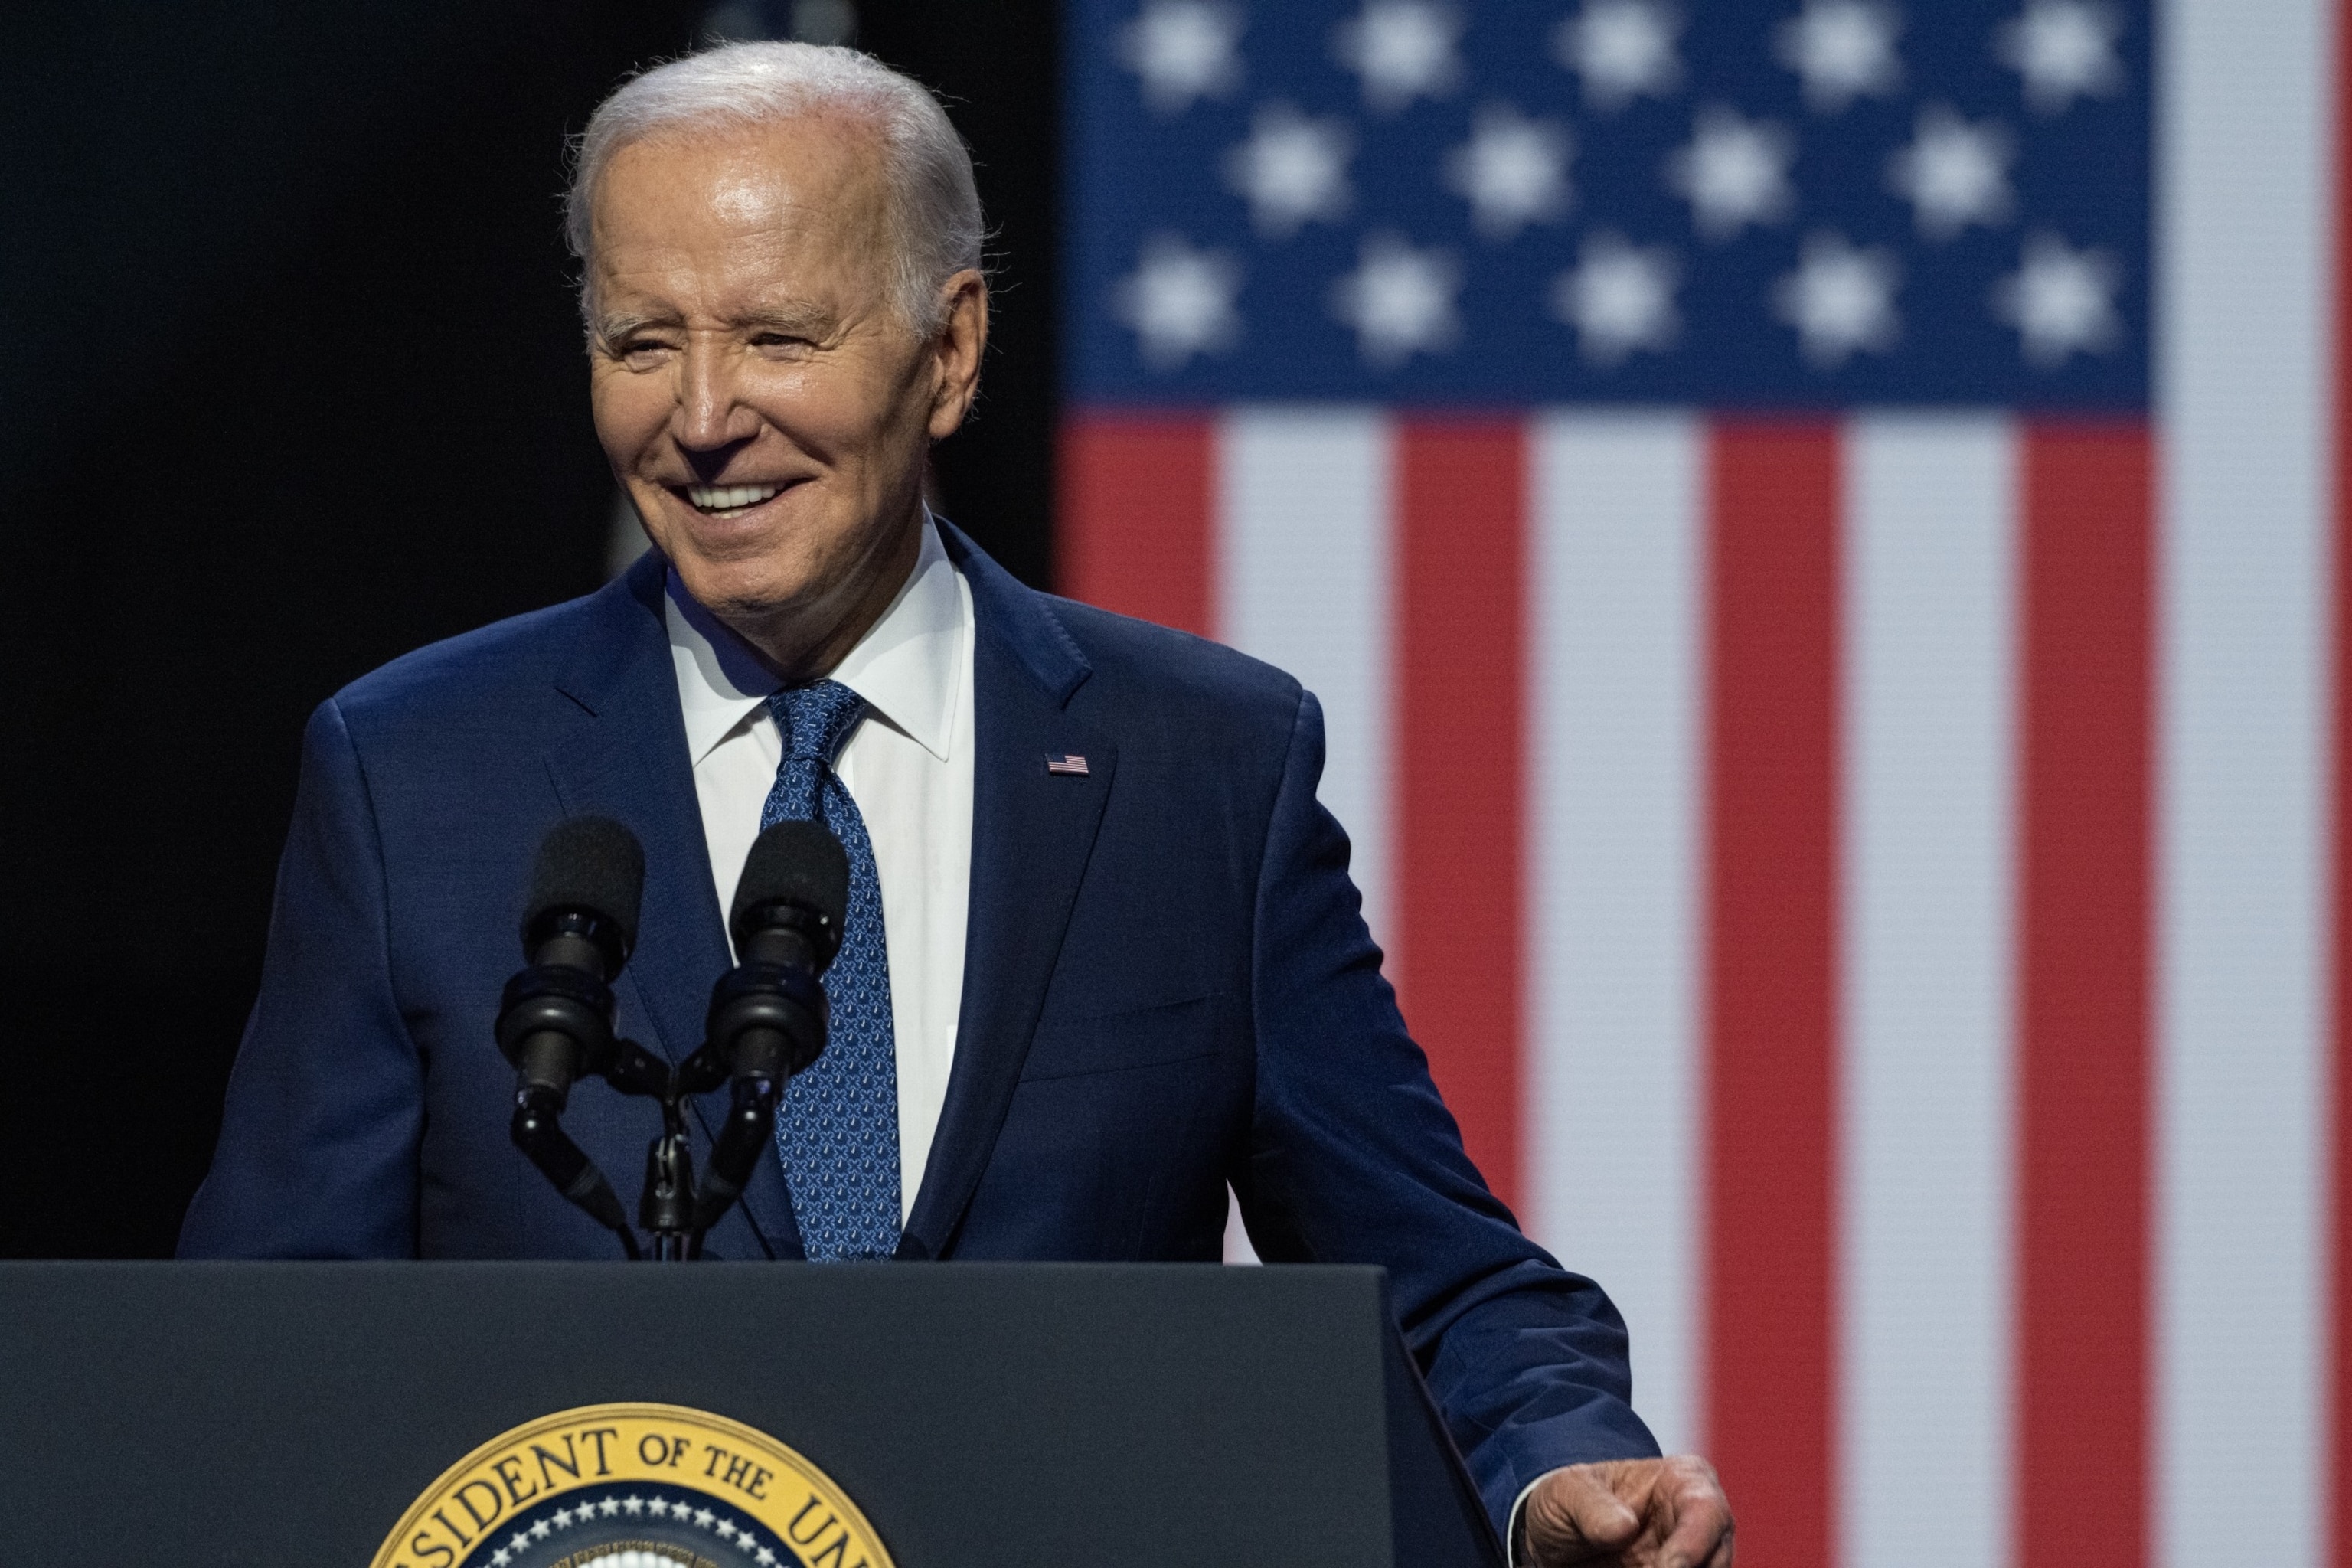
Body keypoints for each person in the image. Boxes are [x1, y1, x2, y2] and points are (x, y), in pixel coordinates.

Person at [178, 41, 1733, 1567]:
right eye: (643, 341)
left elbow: (1439, 1278)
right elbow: (263, 1351)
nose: (703, 414)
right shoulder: (414, 772)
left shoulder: (1199, 765)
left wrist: (1555, 1469)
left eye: (777, 335)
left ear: (954, 347)